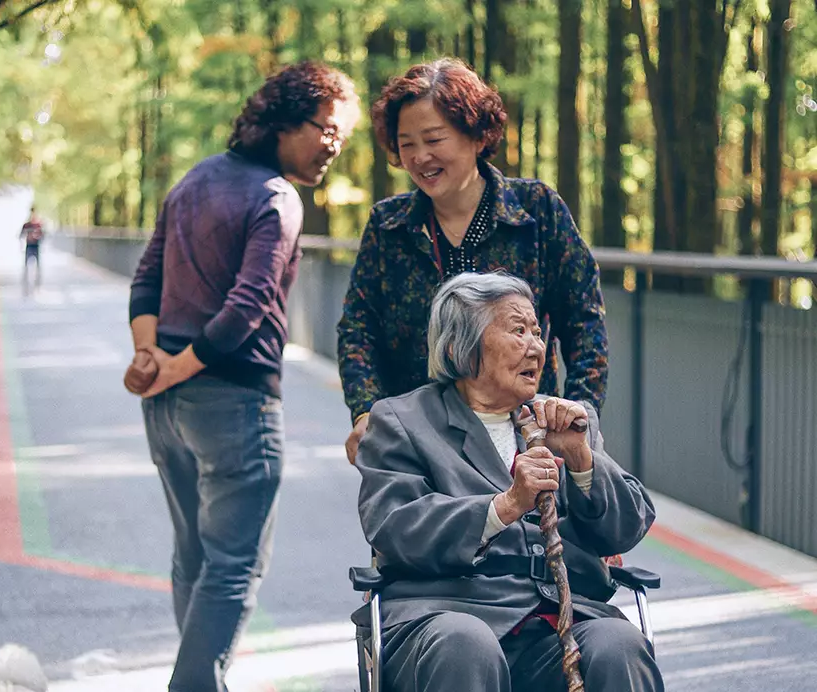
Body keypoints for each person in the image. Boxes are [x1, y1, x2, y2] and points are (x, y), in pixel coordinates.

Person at [126, 61, 359, 692]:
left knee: (194, 557)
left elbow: (147, 279)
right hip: (234, 404)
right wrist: (171, 365)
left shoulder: (193, 180)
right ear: (285, 121)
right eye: (327, 129)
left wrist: (150, 357)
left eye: (341, 136)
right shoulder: (276, 197)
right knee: (233, 567)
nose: (334, 146)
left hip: (166, 409)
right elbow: (247, 306)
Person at [355, 271, 662, 692]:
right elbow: (394, 527)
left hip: (558, 623)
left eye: (537, 332)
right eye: (519, 331)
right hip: (446, 617)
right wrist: (505, 506)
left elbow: (626, 529)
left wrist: (580, 457)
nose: (536, 347)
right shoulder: (402, 420)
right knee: (466, 644)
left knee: (618, 645)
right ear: (460, 347)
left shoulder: (563, 420)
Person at [338, 58, 608, 465]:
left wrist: (580, 414)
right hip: (418, 442)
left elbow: (584, 322)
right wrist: (366, 411)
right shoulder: (387, 226)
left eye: (434, 139)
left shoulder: (537, 211)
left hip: (524, 440)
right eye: (407, 143)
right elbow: (358, 329)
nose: (420, 157)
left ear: (477, 136)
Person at [19, 207, 44, 289]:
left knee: (38, 266)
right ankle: (25, 283)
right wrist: (22, 245)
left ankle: (37, 284)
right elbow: (21, 235)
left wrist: (38, 236)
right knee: (26, 266)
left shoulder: (38, 225)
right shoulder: (27, 225)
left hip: (36, 246)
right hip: (29, 246)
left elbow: (43, 236)